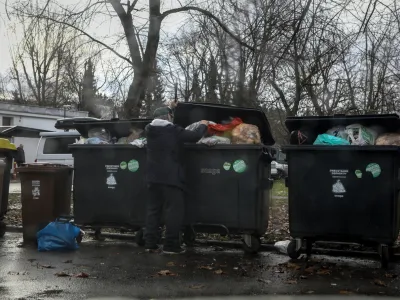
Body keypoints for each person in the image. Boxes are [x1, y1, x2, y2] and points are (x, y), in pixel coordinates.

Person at [144, 106, 208, 254]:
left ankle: (150, 243)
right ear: (168, 116)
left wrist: (172, 106)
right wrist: (204, 124)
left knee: (153, 210)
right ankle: (171, 245)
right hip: (171, 177)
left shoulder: (149, 129)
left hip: (152, 177)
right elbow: (194, 136)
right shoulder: (173, 130)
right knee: (174, 211)